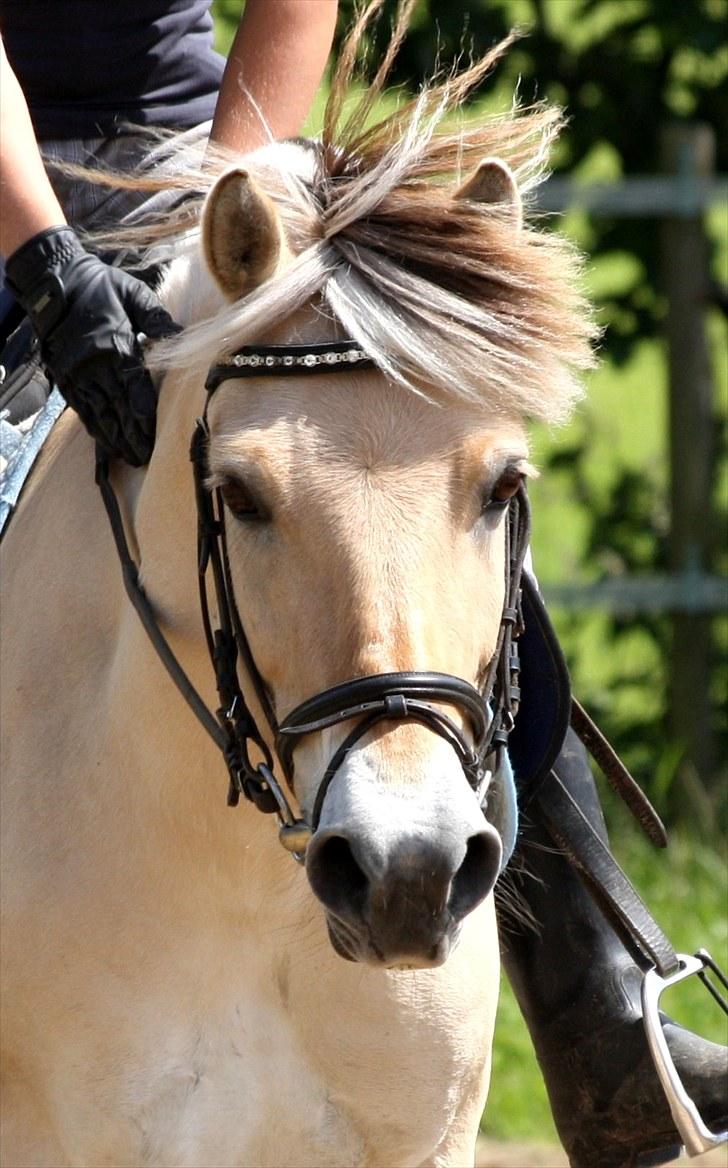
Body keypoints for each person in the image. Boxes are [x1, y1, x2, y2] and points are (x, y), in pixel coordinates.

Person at [0, 5, 725, 1165]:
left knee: (423, 469)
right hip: (9, 202)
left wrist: (223, 210)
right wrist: (42, 259)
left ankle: (599, 1002)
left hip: (196, 158)